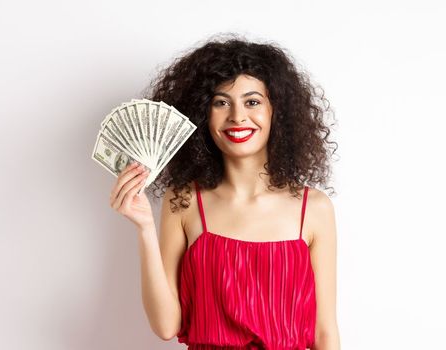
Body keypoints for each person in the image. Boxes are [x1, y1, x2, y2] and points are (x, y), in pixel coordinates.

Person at [109, 34, 340, 349]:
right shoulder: (184, 201)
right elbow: (166, 326)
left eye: (252, 101)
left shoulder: (314, 208)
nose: (237, 116)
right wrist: (145, 228)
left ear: (277, 111)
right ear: (203, 114)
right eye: (221, 102)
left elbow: (325, 333)